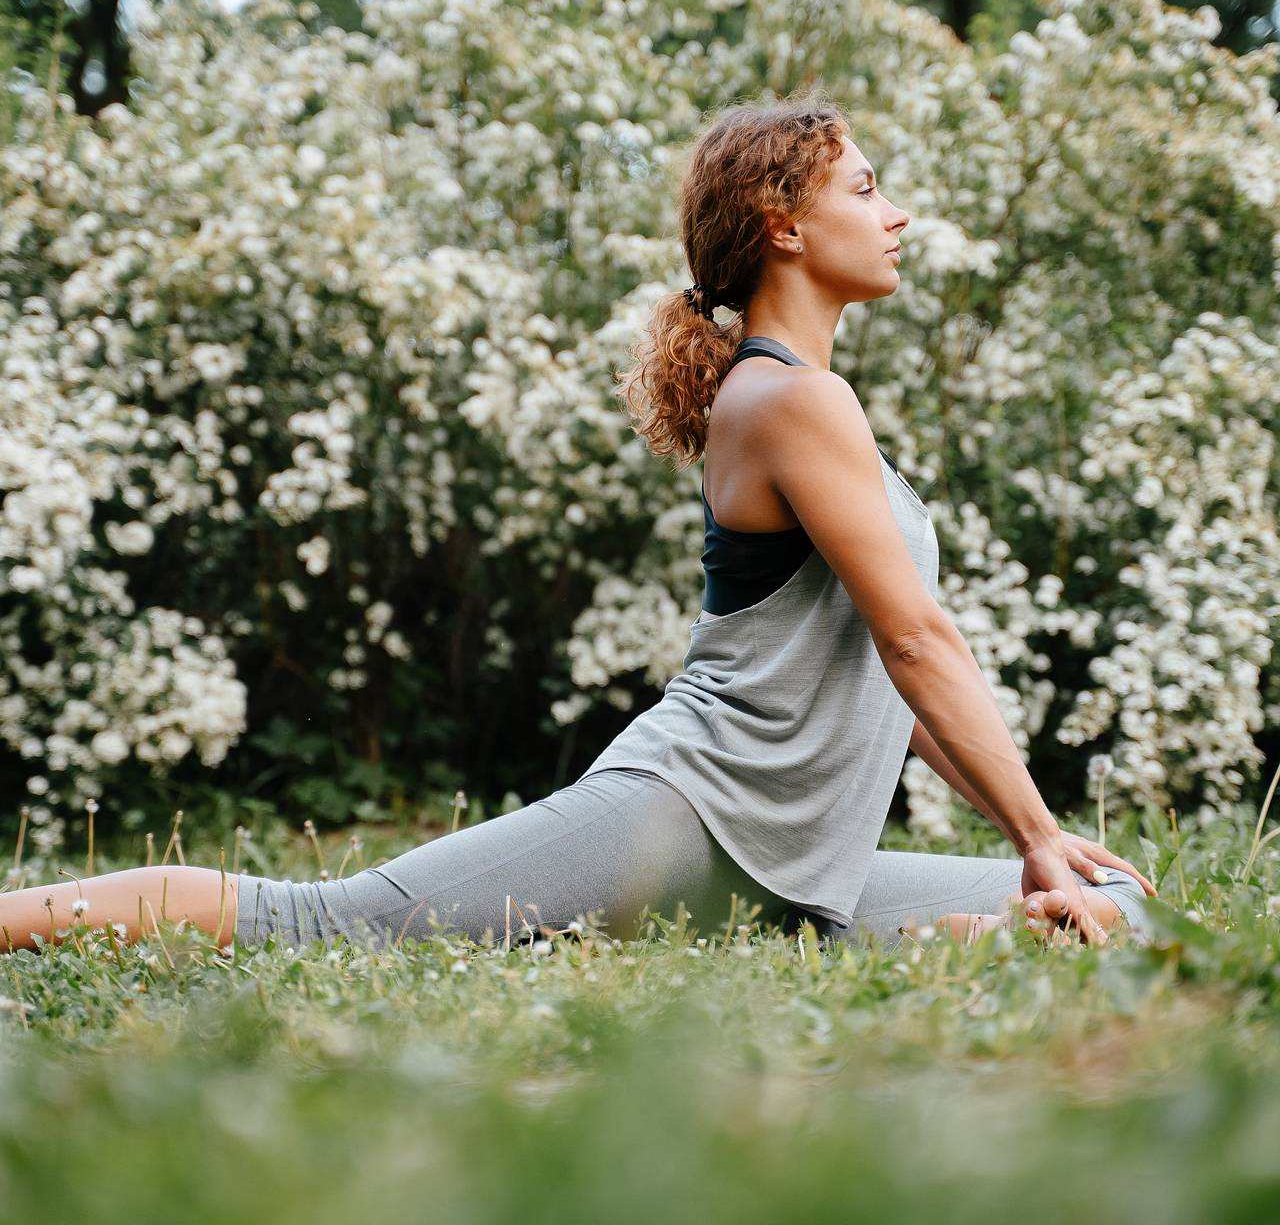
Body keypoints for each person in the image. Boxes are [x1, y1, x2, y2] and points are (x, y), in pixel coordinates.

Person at [0, 91, 1156, 959]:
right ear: (783, 225)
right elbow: (915, 640)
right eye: (863, 188)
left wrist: (1031, 842)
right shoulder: (787, 396)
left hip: (798, 860)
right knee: (327, 919)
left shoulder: (820, 408)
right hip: (682, 812)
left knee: (1122, 907)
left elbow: (889, 686)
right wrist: (1035, 827)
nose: (895, 213)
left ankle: (835, 932)